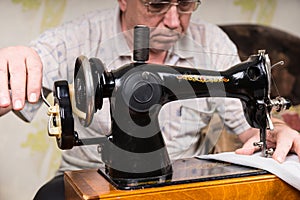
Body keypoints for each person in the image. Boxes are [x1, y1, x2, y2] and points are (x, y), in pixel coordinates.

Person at [0, 0, 299, 199]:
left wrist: (275, 131)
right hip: (87, 181)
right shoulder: (76, 38)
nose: (173, 21)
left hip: (175, 187)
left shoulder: (212, 41)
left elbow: (247, 126)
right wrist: (8, 69)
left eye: (185, 4)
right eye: (155, 3)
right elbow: (11, 85)